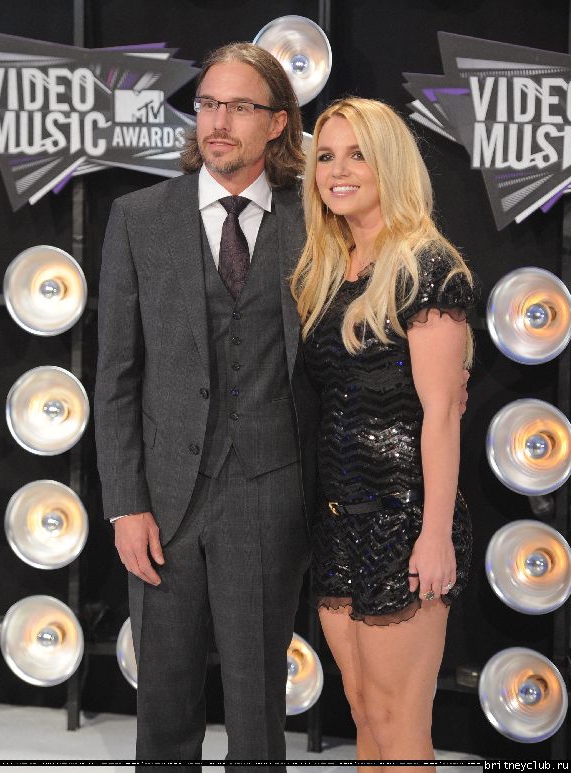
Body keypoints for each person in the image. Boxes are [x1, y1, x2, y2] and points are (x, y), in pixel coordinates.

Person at [94, 42, 319, 765]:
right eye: (208, 104)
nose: (218, 122)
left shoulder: (314, 218)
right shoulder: (138, 218)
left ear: (277, 122)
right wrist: (125, 504)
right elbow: (116, 374)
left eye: (240, 107)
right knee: (162, 706)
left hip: (269, 494)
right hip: (162, 502)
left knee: (258, 713)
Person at [291, 97, 475, 765]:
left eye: (357, 155)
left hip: (404, 522)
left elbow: (442, 412)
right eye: (326, 156)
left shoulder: (428, 265)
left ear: (390, 164)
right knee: (366, 709)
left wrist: (433, 534)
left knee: (400, 724)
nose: (337, 171)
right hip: (338, 523)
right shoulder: (325, 267)